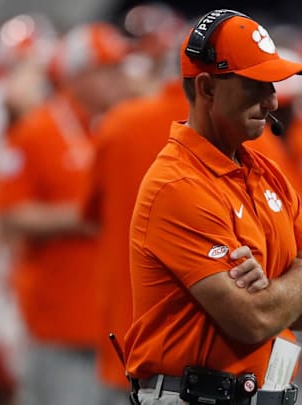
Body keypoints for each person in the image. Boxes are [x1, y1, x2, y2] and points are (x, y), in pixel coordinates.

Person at [122, 10, 302, 405]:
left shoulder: (269, 173)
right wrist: (301, 274)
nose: (271, 99)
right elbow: (252, 320)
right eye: (254, 84)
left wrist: (274, 288)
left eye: (271, 84)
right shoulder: (177, 184)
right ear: (206, 88)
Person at [0, 22, 132, 405]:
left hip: (120, 326)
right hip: (60, 320)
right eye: (111, 70)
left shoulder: (120, 128)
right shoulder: (38, 130)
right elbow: (9, 216)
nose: (122, 80)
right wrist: (83, 217)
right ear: (80, 75)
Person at [83, 69, 186, 405]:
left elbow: (89, 215)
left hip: (129, 337)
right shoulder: (243, 131)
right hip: (210, 356)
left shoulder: (119, 122)